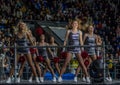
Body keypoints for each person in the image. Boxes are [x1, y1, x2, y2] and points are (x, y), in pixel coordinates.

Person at [58, 19, 90, 83]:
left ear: (78, 25)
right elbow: (65, 40)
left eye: (76, 24)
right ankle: (60, 77)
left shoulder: (80, 32)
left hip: (77, 49)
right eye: (74, 23)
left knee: (82, 64)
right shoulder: (69, 31)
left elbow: (81, 41)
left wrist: (82, 50)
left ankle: (87, 77)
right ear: (72, 24)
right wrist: (64, 48)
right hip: (70, 49)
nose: (75, 24)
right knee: (66, 63)